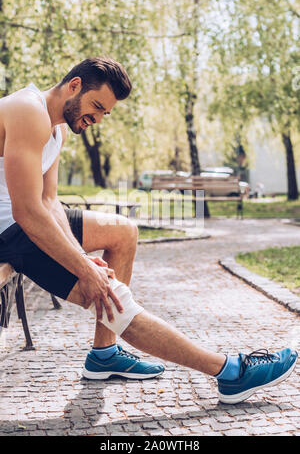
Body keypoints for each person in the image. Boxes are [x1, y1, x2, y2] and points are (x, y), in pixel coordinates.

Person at [0, 57, 297, 405]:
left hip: (24, 221)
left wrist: (82, 257)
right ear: (75, 85)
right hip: (11, 232)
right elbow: (28, 212)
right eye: (96, 107)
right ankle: (232, 373)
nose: (96, 119)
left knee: (122, 231)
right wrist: (84, 269)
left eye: (104, 114)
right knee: (111, 297)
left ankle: (104, 354)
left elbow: (50, 202)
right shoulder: (27, 110)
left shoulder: (57, 129)